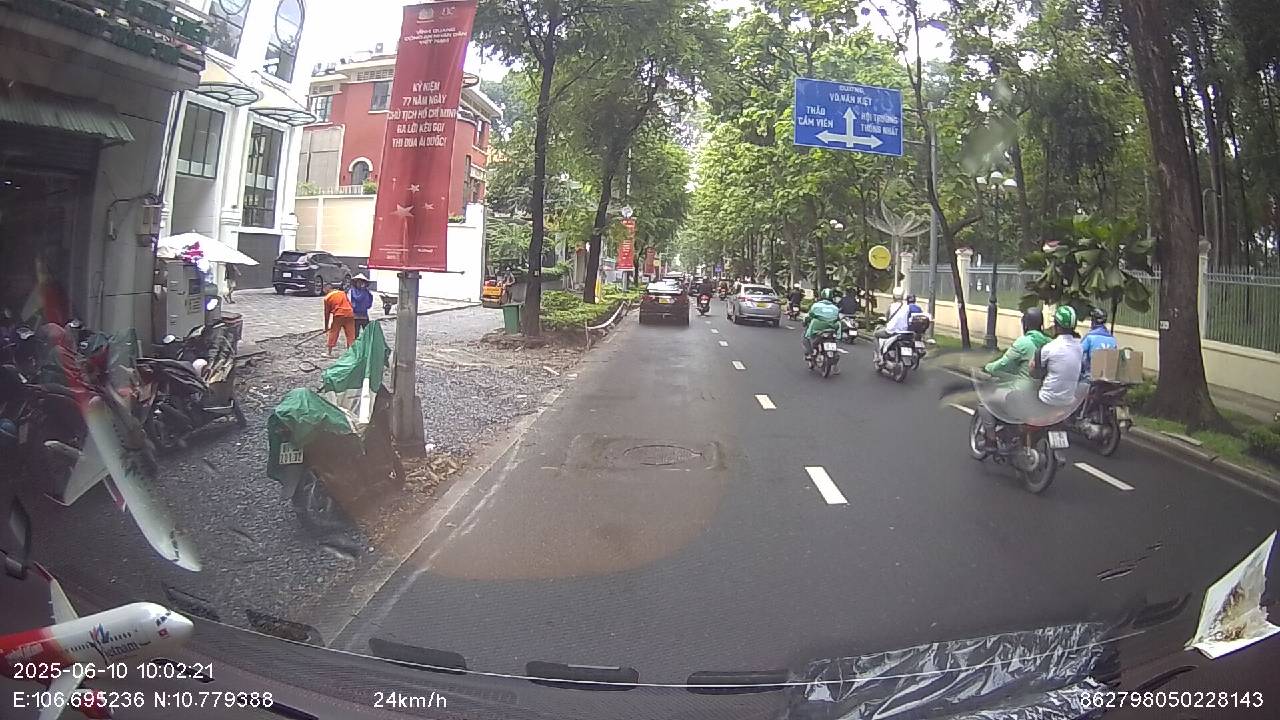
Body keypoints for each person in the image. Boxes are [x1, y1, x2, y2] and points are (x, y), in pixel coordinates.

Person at [984, 307, 1051, 380]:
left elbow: (1003, 364)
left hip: (1026, 385)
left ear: (1025, 324)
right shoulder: (1050, 342)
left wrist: (986, 368)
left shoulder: (1022, 342)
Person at [802, 288, 842, 359]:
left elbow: (809, 316)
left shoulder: (816, 306)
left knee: (805, 337)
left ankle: (810, 353)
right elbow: (838, 318)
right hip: (832, 327)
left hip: (818, 327)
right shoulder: (835, 308)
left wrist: (805, 322)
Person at [1080, 307, 1118, 379]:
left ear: (1093, 321)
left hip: (1090, 378)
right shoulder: (1112, 340)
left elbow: (1078, 353)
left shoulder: (1090, 337)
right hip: (1109, 378)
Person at [322, 281, 356, 356]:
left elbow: (326, 314)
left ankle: (329, 353)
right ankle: (351, 353)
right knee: (350, 334)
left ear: (326, 289)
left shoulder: (327, 298)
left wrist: (326, 328)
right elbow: (350, 304)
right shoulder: (342, 293)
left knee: (333, 332)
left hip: (339, 315)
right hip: (350, 314)